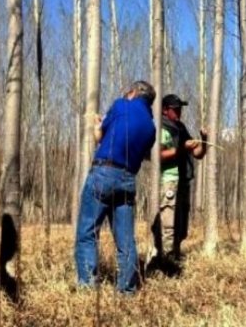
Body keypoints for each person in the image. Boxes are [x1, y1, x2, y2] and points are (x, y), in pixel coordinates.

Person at [74, 80, 157, 294]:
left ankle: (87, 288)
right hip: (128, 180)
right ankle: (127, 291)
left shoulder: (121, 105)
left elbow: (101, 138)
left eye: (127, 91)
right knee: (125, 241)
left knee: (87, 233)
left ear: (133, 93)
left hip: (104, 173)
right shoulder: (151, 127)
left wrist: (97, 125)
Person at [151, 94, 207, 261]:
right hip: (169, 181)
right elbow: (158, 155)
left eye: (180, 109)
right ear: (165, 110)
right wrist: (182, 149)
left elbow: (198, 154)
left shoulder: (181, 128)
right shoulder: (162, 128)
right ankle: (165, 261)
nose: (179, 112)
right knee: (168, 224)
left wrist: (204, 140)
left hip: (184, 181)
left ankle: (174, 256)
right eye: (175, 109)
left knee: (181, 225)